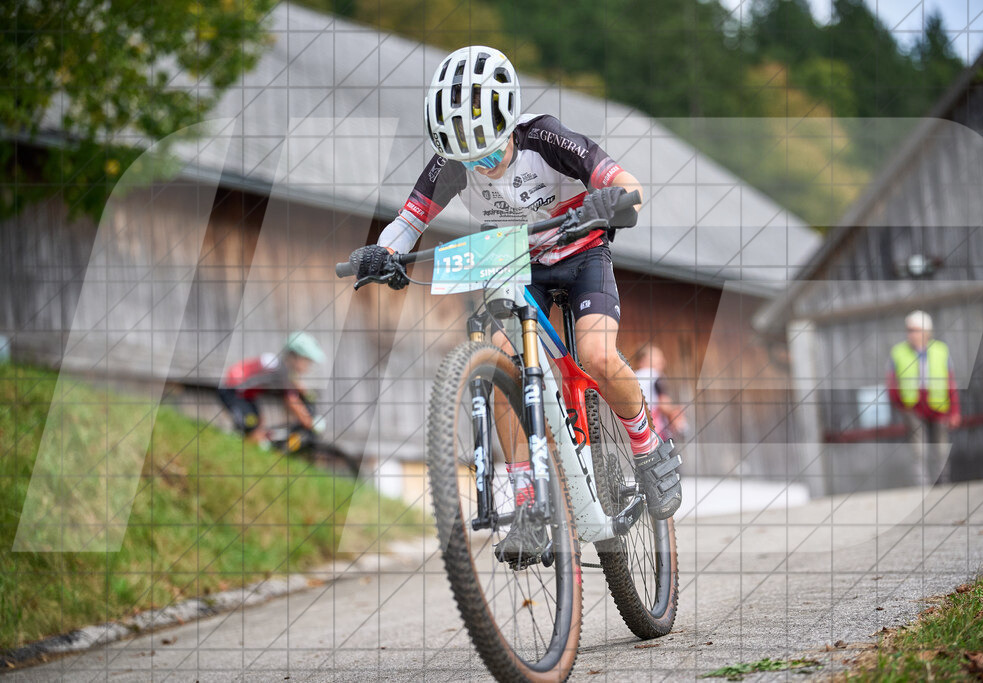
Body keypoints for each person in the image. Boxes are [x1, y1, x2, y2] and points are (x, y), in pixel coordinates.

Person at [347, 46, 682, 560]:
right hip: (515, 261)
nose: (483, 165)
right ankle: (526, 500)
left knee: (594, 356)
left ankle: (647, 445)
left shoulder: (543, 137)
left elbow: (626, 183)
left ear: (508, 126)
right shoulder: (451, 163)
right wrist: (384, 254)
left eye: (490, 152)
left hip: (580, 250)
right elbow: (409, 221)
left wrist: (612, 200)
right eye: (470, 160)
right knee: (503, 358)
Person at [886, 310, 962, 485]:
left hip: (938, 404)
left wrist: (955, 411)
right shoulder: (898, 352)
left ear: (926, 331)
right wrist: (900, 404)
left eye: (915, 330)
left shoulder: (941, 350)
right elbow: (891, 381)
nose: (911, 334)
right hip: (912, 406)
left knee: (941, 449)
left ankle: (942, 483)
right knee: (918, 450)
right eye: (909, 330)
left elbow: (951, 382)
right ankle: (923, 486)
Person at [218, 331, 326, 451]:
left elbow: (296, 385)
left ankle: (237, 442)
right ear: (294, 357)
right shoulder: (281, 369)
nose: (308, 366)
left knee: (258, 425)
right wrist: (309, 422)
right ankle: (239, 452)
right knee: (254, 431)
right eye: (306, 361)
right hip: (233, 392)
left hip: (245, 396)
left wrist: (306, 393)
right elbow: (291, 400)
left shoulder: (281, 366)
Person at [633, 345, 688, 442]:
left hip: (639, 432)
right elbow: (663, 404)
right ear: (643, 360)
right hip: (658, 432)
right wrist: (676, 411)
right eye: (657, 357)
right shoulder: (655, 375)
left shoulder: (633, 377)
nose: (662, 360)